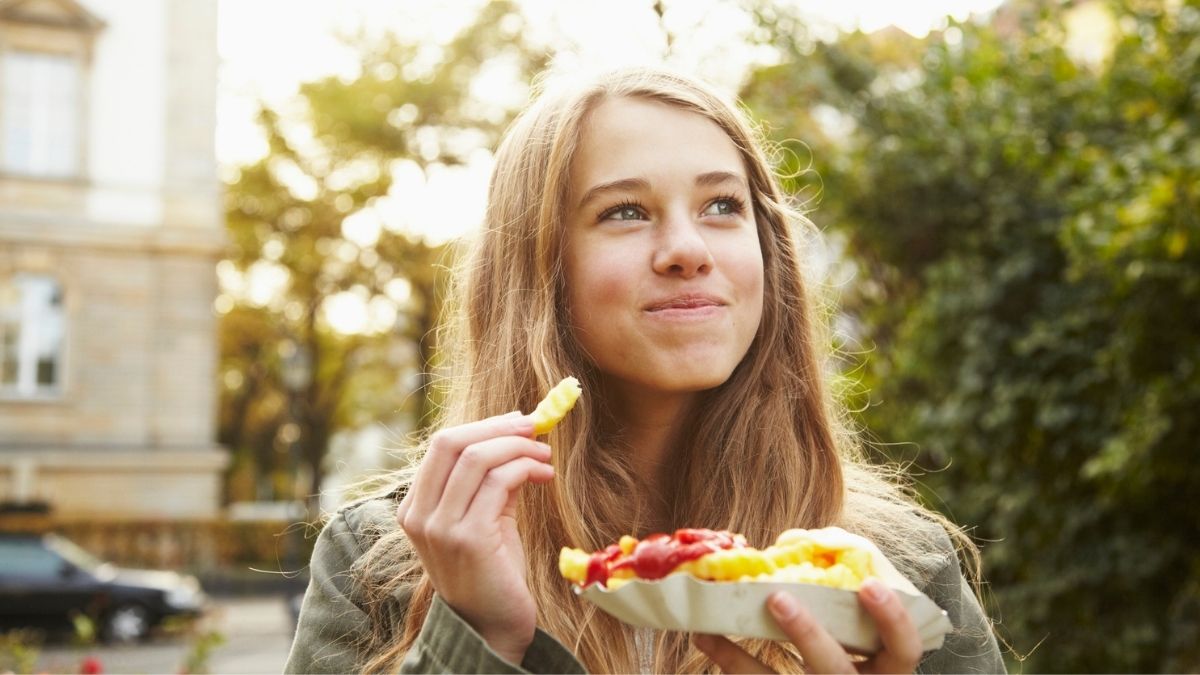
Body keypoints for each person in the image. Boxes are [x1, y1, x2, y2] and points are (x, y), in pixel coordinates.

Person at [285, 66, 1005, 674]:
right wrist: (476, 637)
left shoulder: (899, 571)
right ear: (538, 271)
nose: (688, 248)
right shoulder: (382, 564)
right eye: (625, 211)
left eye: (722, 205)